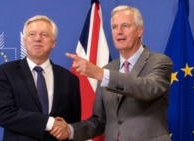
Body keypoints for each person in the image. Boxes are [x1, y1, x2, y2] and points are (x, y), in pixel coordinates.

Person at [51, 5, 173, 141]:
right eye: (114, 27)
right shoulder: (108, 68)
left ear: (140, 30)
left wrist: (102, 74)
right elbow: (100, 122)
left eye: (125, 26)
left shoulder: (160, 61)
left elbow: (148, 89)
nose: (119, 32)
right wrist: (70, 130)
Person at [0, 15, 81, 141]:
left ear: (53, 42)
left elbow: (72, 125)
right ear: (24, 40)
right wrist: (49, 123)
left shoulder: (70, 79)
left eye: (44, 35)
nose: (37, 39)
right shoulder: (6, 72)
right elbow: (4, 114)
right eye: (32, 34)